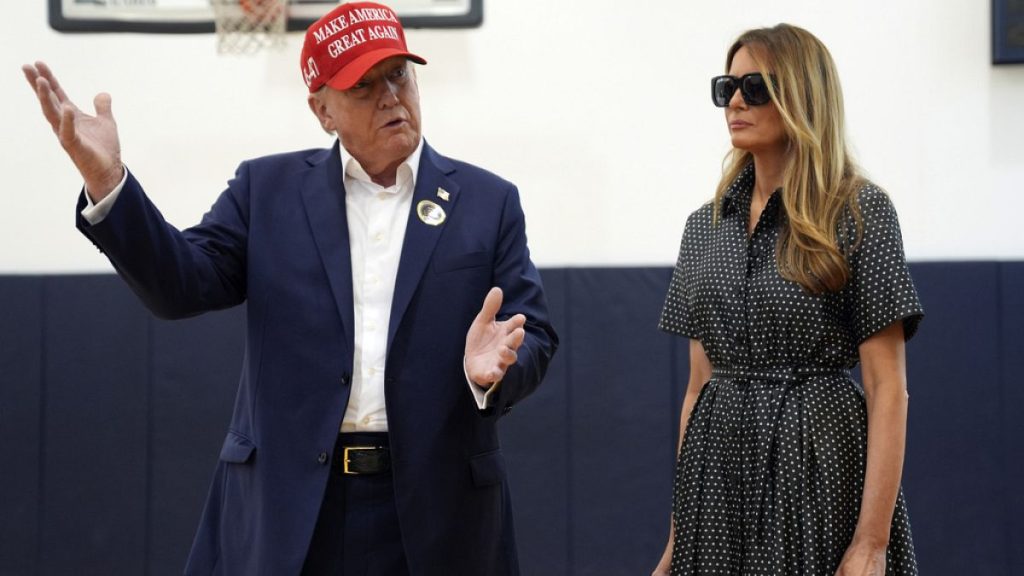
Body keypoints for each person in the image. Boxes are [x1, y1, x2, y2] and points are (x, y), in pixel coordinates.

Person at [23, 2, 557, 574]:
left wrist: (493, 372)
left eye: (399, 74)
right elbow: (180, 286)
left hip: (437, 512)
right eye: (363, 85)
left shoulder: (488, 201)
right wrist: (107, 179)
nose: (390, 97)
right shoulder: (265, 191)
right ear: (322, 110)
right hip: (292, 509)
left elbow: (534, 334)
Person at [652, 24, 922, 576]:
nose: (734, 101)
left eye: (755, 88)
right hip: (717, 482)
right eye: (727, 87)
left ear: (803, 95)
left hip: (817, 469)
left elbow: (887, 388)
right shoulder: (703, 227)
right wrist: (677, 542)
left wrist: (871, 543)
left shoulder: (859, 211)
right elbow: (697, 389)